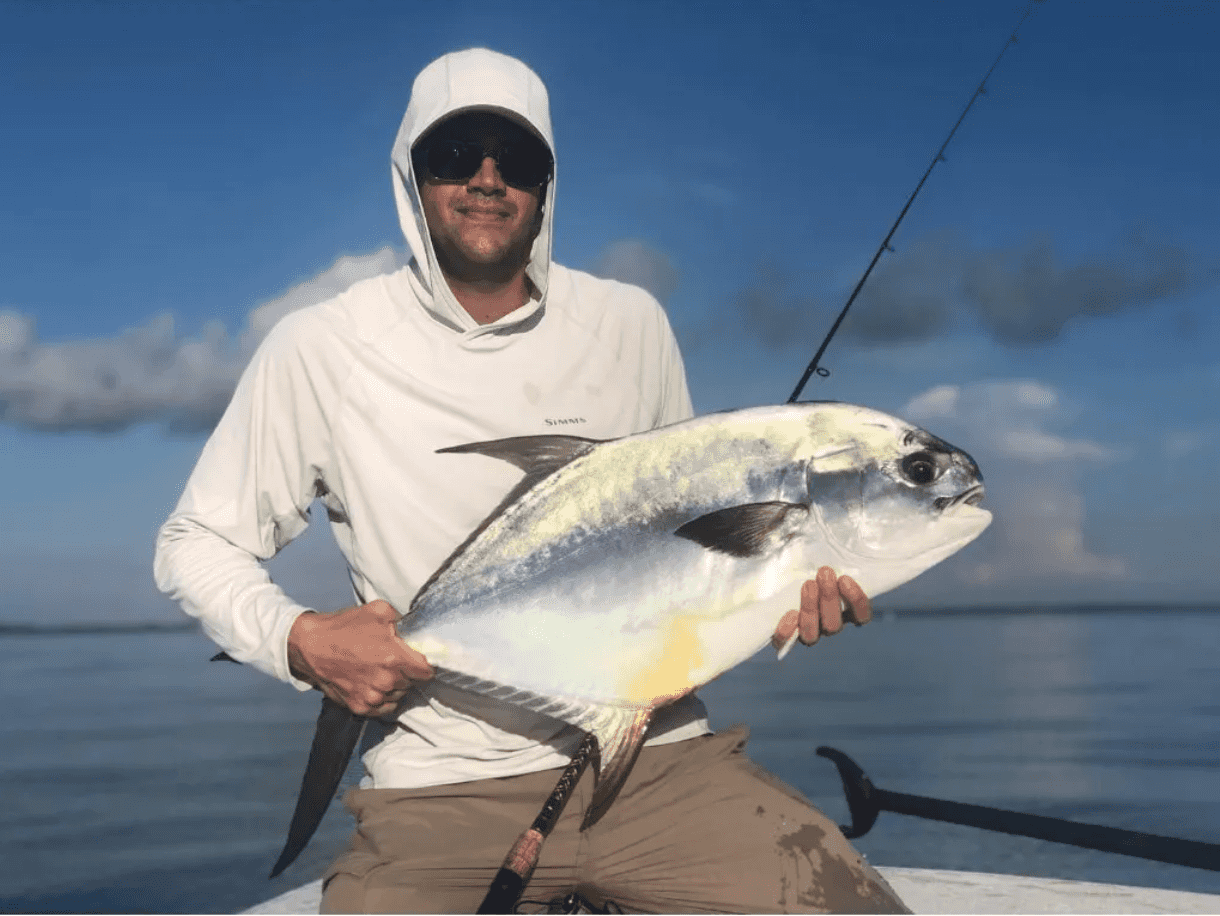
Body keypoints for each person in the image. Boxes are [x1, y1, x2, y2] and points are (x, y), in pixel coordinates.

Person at [155, 47, 909, 914]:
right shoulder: (322, 345)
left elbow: (680, 561)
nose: (486, 179)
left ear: (548, 185)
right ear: (411, 174)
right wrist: (301, 639)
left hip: (662, 759)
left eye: (516, 160)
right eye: (455, 155)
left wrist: (786, 589)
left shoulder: (632, 324)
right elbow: (195, 541)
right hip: (441, 787)